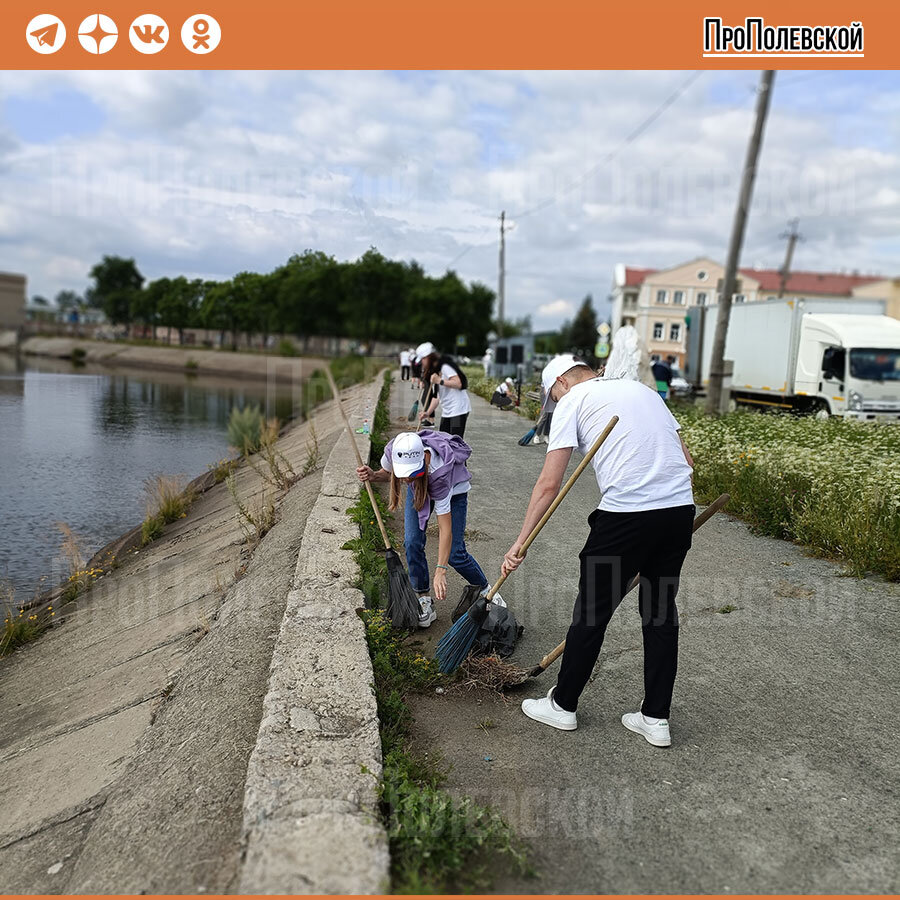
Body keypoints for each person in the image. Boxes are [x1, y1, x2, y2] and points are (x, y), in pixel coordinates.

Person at [502, 353, 695, 747]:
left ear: (560, 385)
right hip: (678, 512)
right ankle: (655, 718)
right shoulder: (644, 390)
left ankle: (563, 705)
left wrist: (519, 541)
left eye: (552, 396)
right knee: (659, 614)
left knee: (591, 611)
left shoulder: (573, 401)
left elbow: (548, 484)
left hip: (625, 519)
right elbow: (687, 460)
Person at [357, 430, 497, 627]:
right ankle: (424, 598)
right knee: (412, 541)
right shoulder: (392, 451)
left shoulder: (440, 472)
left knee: (455, 553)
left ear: (423, 461)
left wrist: (441, 570)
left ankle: (486, 590)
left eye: (411, 474)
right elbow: (387, 474)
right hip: (420, 489)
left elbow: (444, 528)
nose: (406, 479)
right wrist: (373, 475)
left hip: (453, 489)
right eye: (403, 475)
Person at [415, 341, 472, 438]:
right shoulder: (434, 370)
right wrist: (427, 413)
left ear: (428, 357)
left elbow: (458, 383)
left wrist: (440, 381)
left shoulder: (445, 366)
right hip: (447, 411)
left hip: (459, 409)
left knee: (455, 442)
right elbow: (437, 397)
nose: (422, 363)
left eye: (423, 360)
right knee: (443, 440)